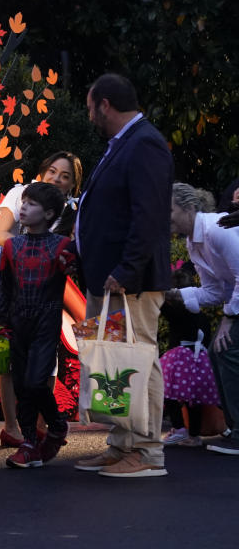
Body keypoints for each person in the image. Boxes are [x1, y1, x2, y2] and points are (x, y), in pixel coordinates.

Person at [74, 73, 172, 478]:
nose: (90, 115)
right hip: (114, 279)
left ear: (105, 105)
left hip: (129, 281)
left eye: (90, 106)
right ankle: (123, 443)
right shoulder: (127, 143)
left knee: (139, 357)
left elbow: (147, 217)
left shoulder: (144, 143)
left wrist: (126, 270)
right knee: (116, 362)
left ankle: (148, 452)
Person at [0, 151, 83, 447]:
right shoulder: (21, 194)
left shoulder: (68, 211)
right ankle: (12, 426)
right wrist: (34, 248)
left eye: (65, 176)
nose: (57, 179)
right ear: (42, 170)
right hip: (7, 271)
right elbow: (0, 235)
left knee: (45, 357)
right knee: (9, 353)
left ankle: (37, 424)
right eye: (53, 171)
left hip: (44, 285)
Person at [0, 182, 74, 468]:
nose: (23, 207)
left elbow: (79, 269)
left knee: (36, 381)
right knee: (22, 384)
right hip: (17, 322)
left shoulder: (62, 246)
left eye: (31, 204)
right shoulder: (12, 245)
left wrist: (74, 262)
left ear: (49, 214)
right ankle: (29, 444)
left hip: (47, 323)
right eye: (23, 202)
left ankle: (56, 425)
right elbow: (6, 289)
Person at [167, 182, 239, 455]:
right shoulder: (193, 242)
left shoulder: (217, 229)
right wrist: (172, 294)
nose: (166, 217)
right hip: (237, 301)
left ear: (189, 208)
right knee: (216, 354)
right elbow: (214, 290)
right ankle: (233, 427)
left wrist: (228, 319)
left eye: (170, 210)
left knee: (228, 350)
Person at [158, 260, 216, 448]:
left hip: (179, 357)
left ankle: (179, 428)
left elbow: (160, 305)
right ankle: (194, 434)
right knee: (194, 398)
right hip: (199, 359)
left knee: (168, 391)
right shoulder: (200, 314)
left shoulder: (176, 311)